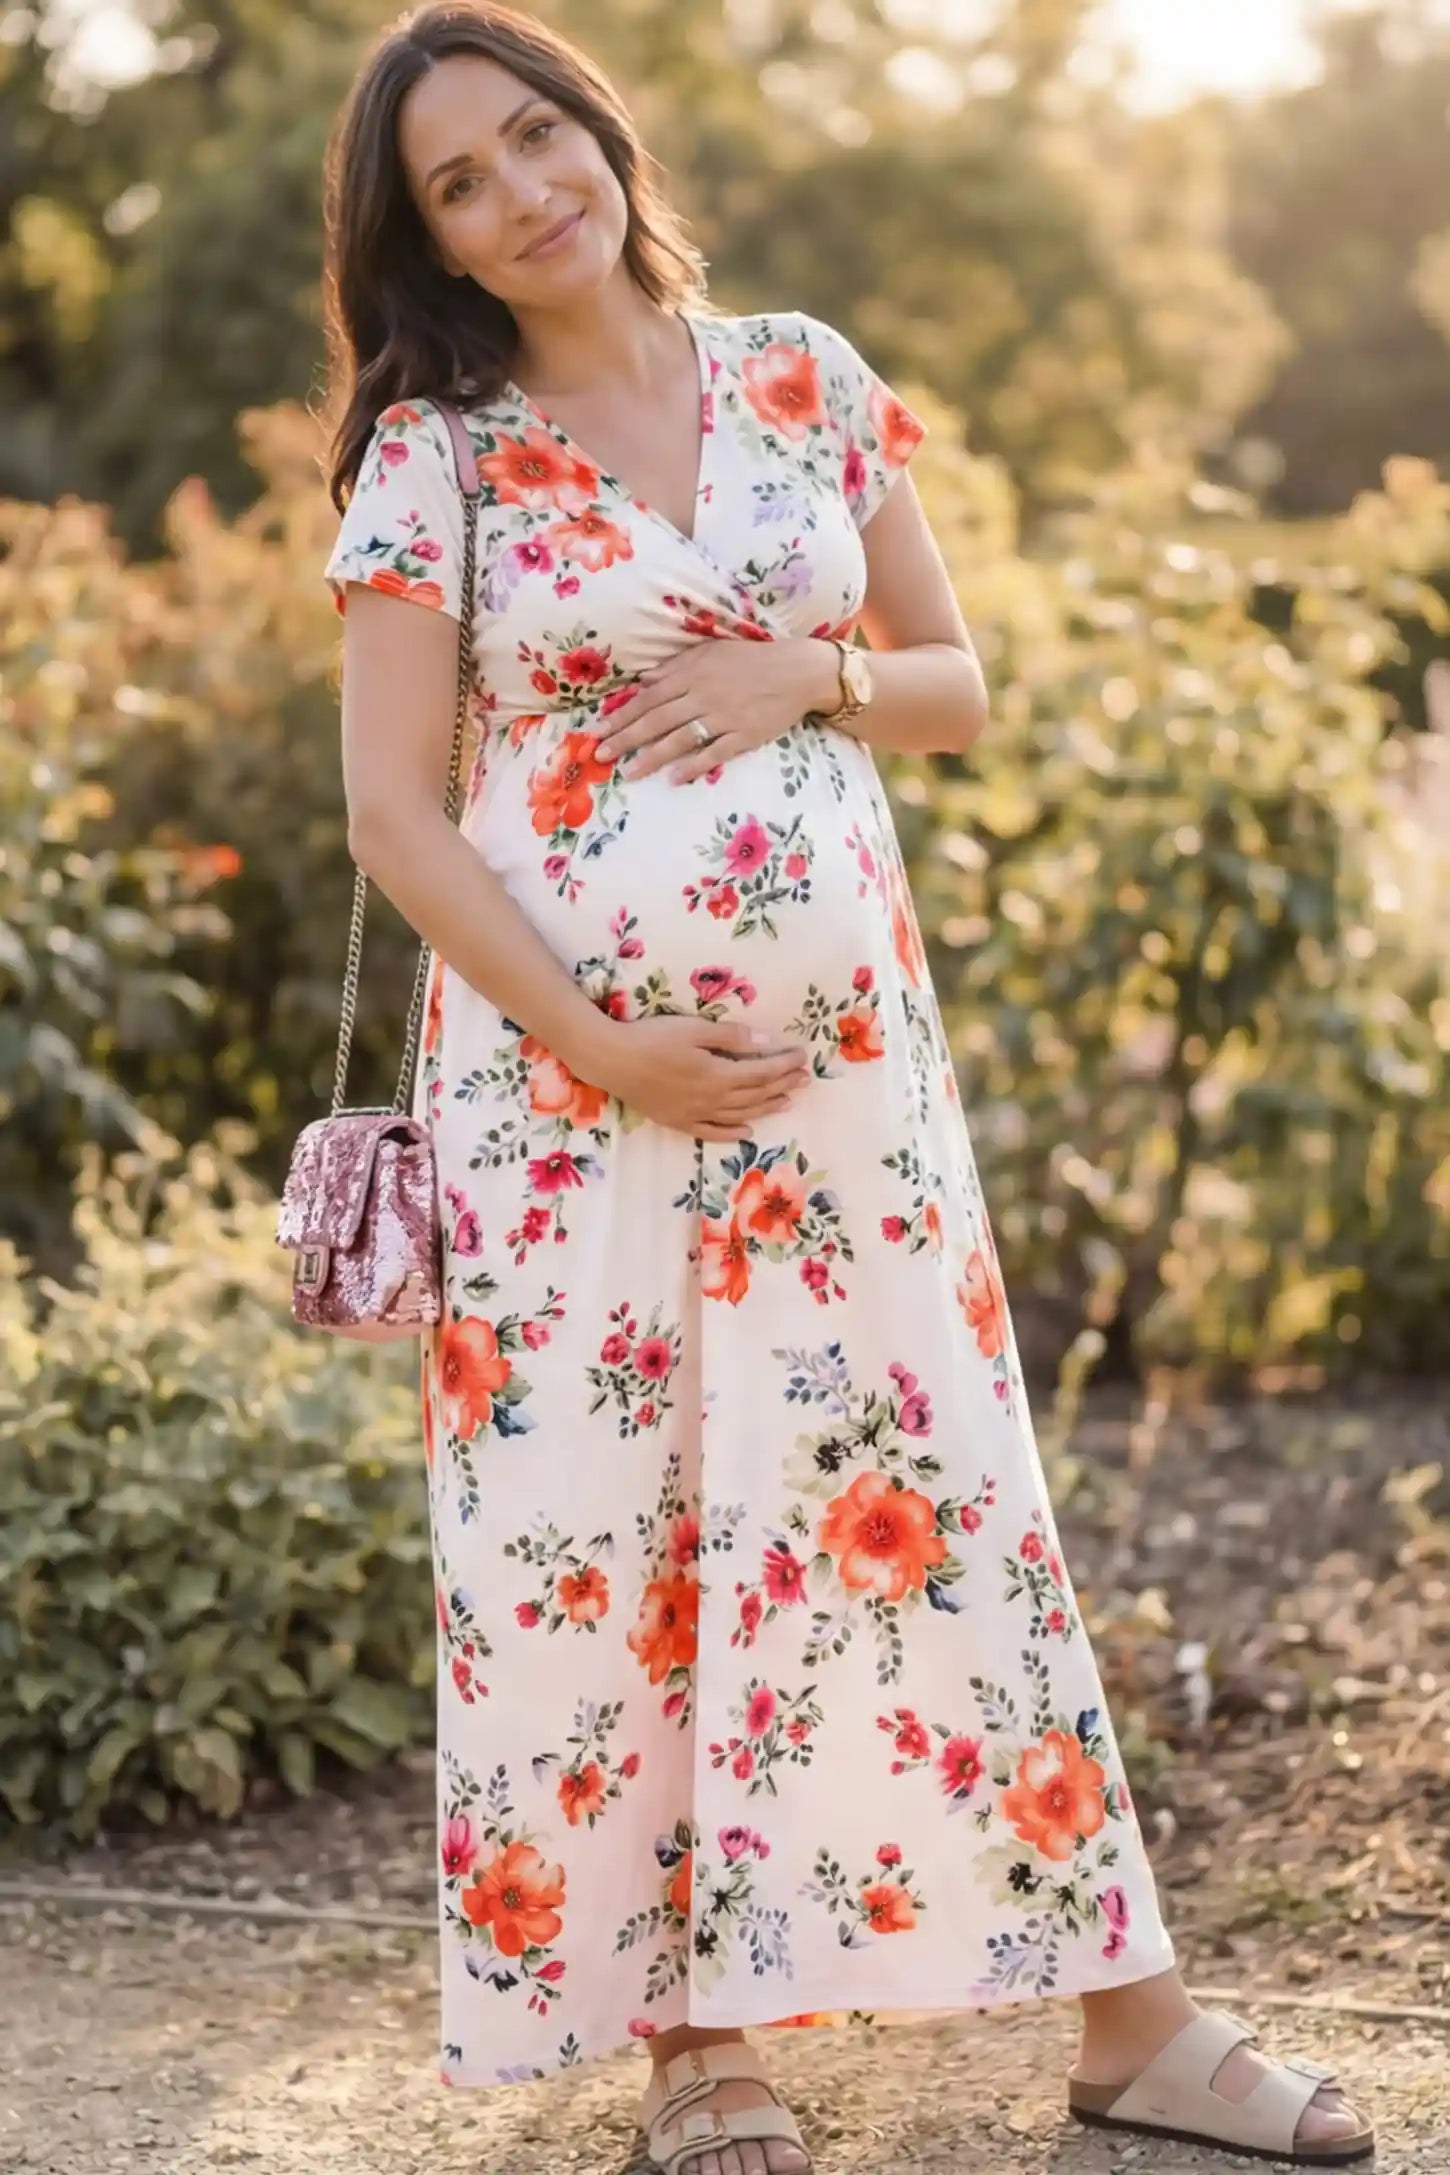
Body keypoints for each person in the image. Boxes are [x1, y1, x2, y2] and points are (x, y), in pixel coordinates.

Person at [317, 5, 1374, 2169]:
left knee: (943, 1499)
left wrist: (810, 672)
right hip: (568, 1092)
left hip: (838, 1087)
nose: (526, 189)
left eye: (540, 134)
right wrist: (601, 1037)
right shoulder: (432, 457)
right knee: (612, 1540)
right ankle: (694, 2042)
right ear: (423, 237)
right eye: (462, 179)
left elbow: (955, 685)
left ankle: (1130, 2021)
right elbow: (392, 823)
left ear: (599, 135)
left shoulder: (801, 370)